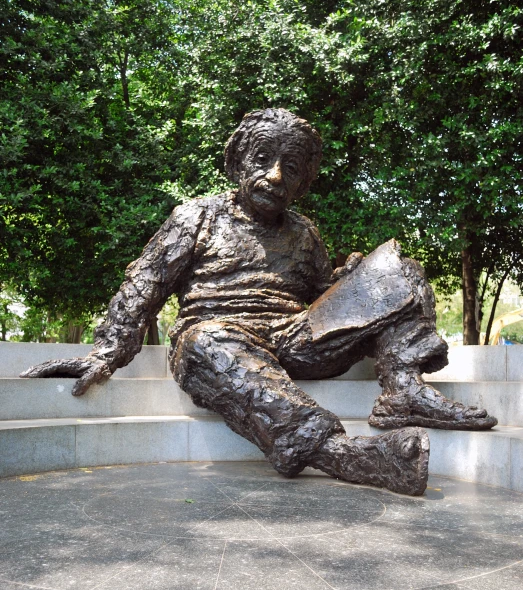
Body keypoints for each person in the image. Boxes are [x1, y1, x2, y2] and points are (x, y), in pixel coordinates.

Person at [21, 108, 497, 496]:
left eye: (291, 168)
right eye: (264, 159)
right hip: (219, 335)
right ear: (236, 164)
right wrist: (105, 352)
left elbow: (320, 298)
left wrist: (350, 278)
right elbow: (144, 283)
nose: (275, 176)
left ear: (302, 181)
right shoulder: (197, 216)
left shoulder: (304, 232)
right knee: (204, 342)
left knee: (399, 272)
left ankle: (402, 390)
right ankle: (340, 454)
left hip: (295, 335)